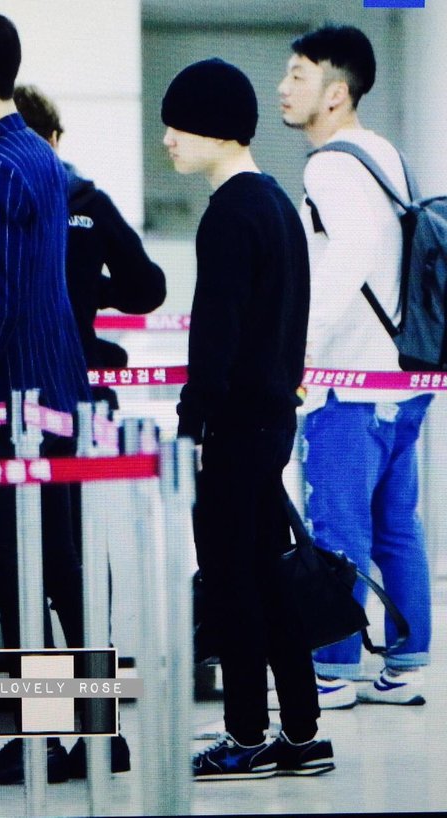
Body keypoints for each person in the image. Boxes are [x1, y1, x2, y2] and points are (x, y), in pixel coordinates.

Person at [162, 57, 334, 779]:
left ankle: (245, 734)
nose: (168, 139)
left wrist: (190, 425)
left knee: (233, 580)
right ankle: (301, 732)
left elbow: (216, 336)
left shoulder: (230, 214)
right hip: (272, 422)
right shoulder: (277, 205)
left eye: (178, 125)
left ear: (215, 129)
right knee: (268, 575)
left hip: (232, 429)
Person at [0, 10, 127, 784]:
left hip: (8, 404)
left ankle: (38, 743)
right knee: (61, 570)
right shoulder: (39, 154)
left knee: (15, 576)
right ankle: (98, 735)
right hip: (56, 390)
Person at [278, 24, 433, 709]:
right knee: (397, 524)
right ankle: (406, 664)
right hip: (403, 374)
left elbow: (345, 259)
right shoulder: (386, 156)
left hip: (350, 380)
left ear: (336, 93)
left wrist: (302, 345)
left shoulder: (331, 165)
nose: (284, 88)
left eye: (298, 75)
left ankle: (334, 670)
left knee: (337, 527)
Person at [13, 83, 166, 413]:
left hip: (2, 387)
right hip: (79, 387)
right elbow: (147, 290)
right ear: (54, 138)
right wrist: (90, 287)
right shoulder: (89, 204)